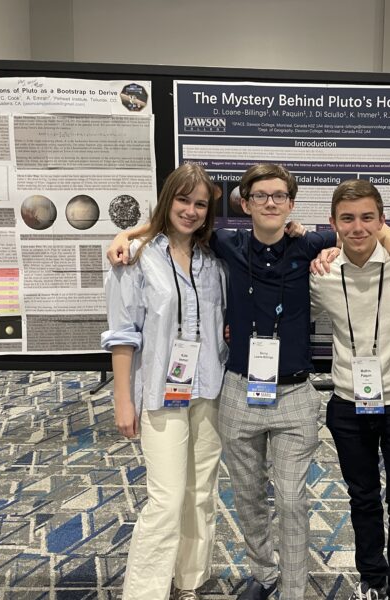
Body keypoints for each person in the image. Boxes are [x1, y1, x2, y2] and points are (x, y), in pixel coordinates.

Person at [107, 163, 390, 600]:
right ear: (245, 203)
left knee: (291, 500)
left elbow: (366, 225)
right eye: (260, 196)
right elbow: (173, 223)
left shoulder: (311, 242)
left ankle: (291, 589)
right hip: (235, 390)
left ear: (291, 204)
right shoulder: (225, 244)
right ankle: (264, 573)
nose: (270, 203)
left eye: (279, 196)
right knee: (247, 499)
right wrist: (128, 235)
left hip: (293, 394)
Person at [101, 163, 228, 600]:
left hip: (209, 392)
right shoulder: (134, 257)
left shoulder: (213, 261)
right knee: (167, 500)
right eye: (182, 200)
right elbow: (122, 336)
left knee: (200, 495)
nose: (190, 211)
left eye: (199, 204)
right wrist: (123, 401)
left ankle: (189, 582)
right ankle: (146, 592)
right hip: (159, 393)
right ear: (167, 199)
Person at [310, 180, 390, 600]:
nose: (357, 227)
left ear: (381, 220)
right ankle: (373, 580)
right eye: (347, 219)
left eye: (366, 217)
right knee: (362, 499)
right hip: (347, 402)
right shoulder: (322, 273)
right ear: (334, 223)